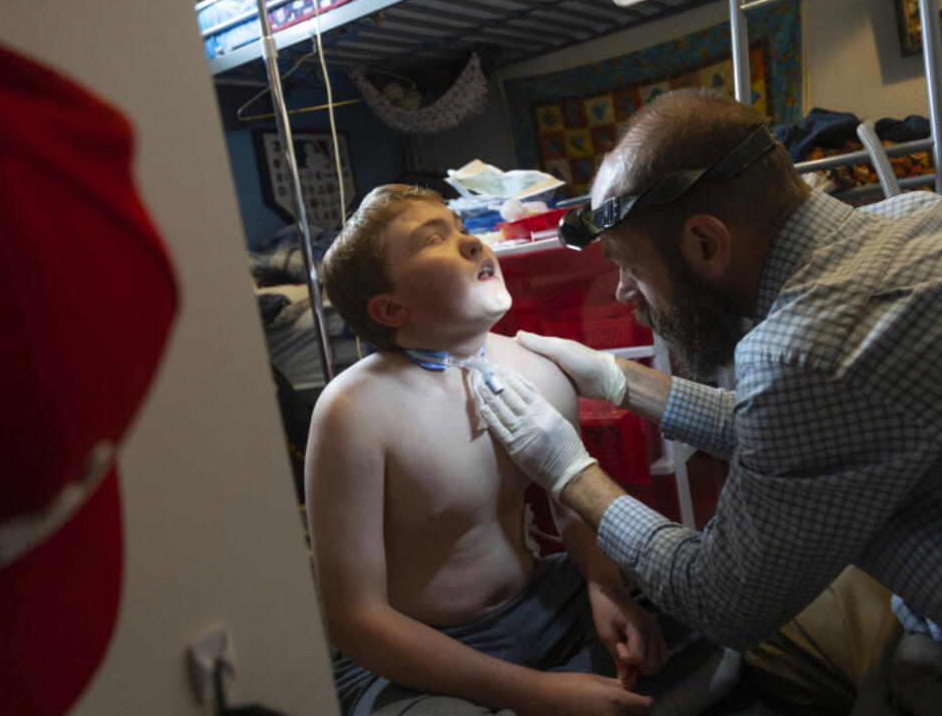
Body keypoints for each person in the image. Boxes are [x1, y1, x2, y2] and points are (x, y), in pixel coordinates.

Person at [472, 88, 942, 716]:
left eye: (629, 265)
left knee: (753, 638)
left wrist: (571, 474)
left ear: (705, 244)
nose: (625, 291)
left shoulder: (806, 346)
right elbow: (803, 428)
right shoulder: (921, 216)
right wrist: (620, 380)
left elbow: (722, 600)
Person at [305, 184, 741, 716]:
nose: (472, 243)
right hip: (420, 644)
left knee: (719, 624)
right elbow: (356, 619)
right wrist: (538, 693)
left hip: (541, 602)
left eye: (463, 229)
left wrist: (604, 588)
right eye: (434, 240)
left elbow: (574, 508)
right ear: (391, 307)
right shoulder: (352, 412)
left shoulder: (531, 365)